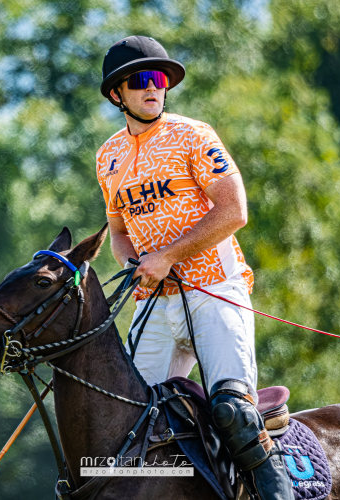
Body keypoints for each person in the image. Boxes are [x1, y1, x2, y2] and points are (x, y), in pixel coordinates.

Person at [96, 35, 293, 500]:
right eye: (141, 80)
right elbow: (119, 233)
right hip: (154, 308)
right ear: (116, 94)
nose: (154, 88)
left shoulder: (193, 134)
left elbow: (234, 210)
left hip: (214, 289)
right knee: (128, 421)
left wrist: (167, 256)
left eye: (160, 79)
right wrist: (134, 266)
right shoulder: (108, 157)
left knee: (233, 411)